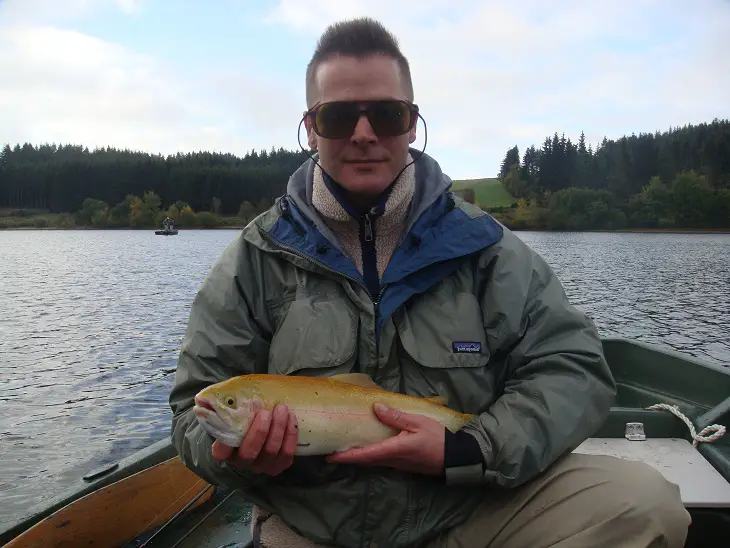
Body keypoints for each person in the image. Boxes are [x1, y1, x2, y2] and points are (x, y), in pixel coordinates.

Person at [169, 17, 690, 548]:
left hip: (468, 513)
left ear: (413, 124)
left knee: (642, 503)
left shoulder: (487, 250)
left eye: (387, 114)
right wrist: (235, 457)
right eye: (340, 116)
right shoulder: (254, 260)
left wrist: (467, 449)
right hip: (310, 527)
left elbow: (574, 368)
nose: (365, 133)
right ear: (310, 128)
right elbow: (193, 408)